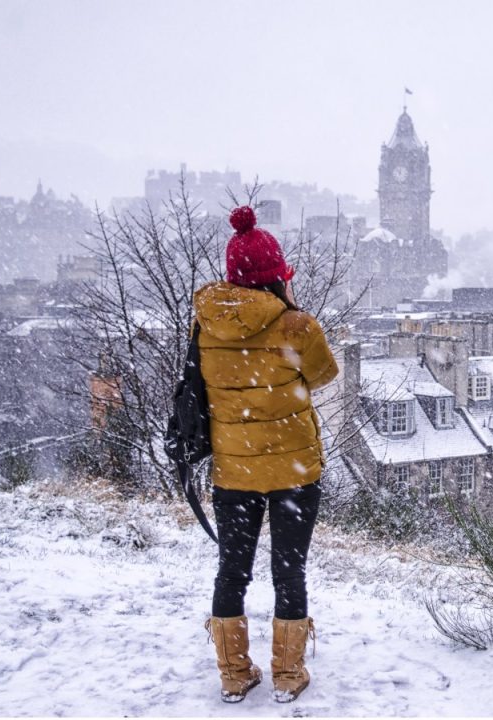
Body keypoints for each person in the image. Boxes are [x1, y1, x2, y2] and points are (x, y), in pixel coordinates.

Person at [194, 205, 338, 703]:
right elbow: (324, 376)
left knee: (231, 570)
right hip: (294, 469)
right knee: (288, 569)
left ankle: (234, 674)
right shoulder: (297, 327)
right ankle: (287, 674)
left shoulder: (206, 327)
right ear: (278, 277)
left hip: (233, 470)